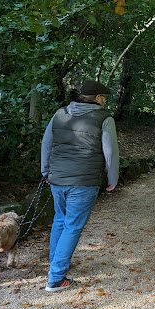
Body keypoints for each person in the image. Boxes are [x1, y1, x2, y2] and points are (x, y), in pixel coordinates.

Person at [40, 80, 119, 292]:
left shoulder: (60, 114)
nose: (105, 101)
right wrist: (113, 179)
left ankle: (55, 263)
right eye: (104, 97)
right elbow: (110, 152)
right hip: (84, 181)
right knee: (72, 225)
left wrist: (46, 171)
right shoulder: (104, 118)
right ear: (98, 98)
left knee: (60, 219)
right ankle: (56, 279)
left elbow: (46, 143)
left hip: (57, 179)